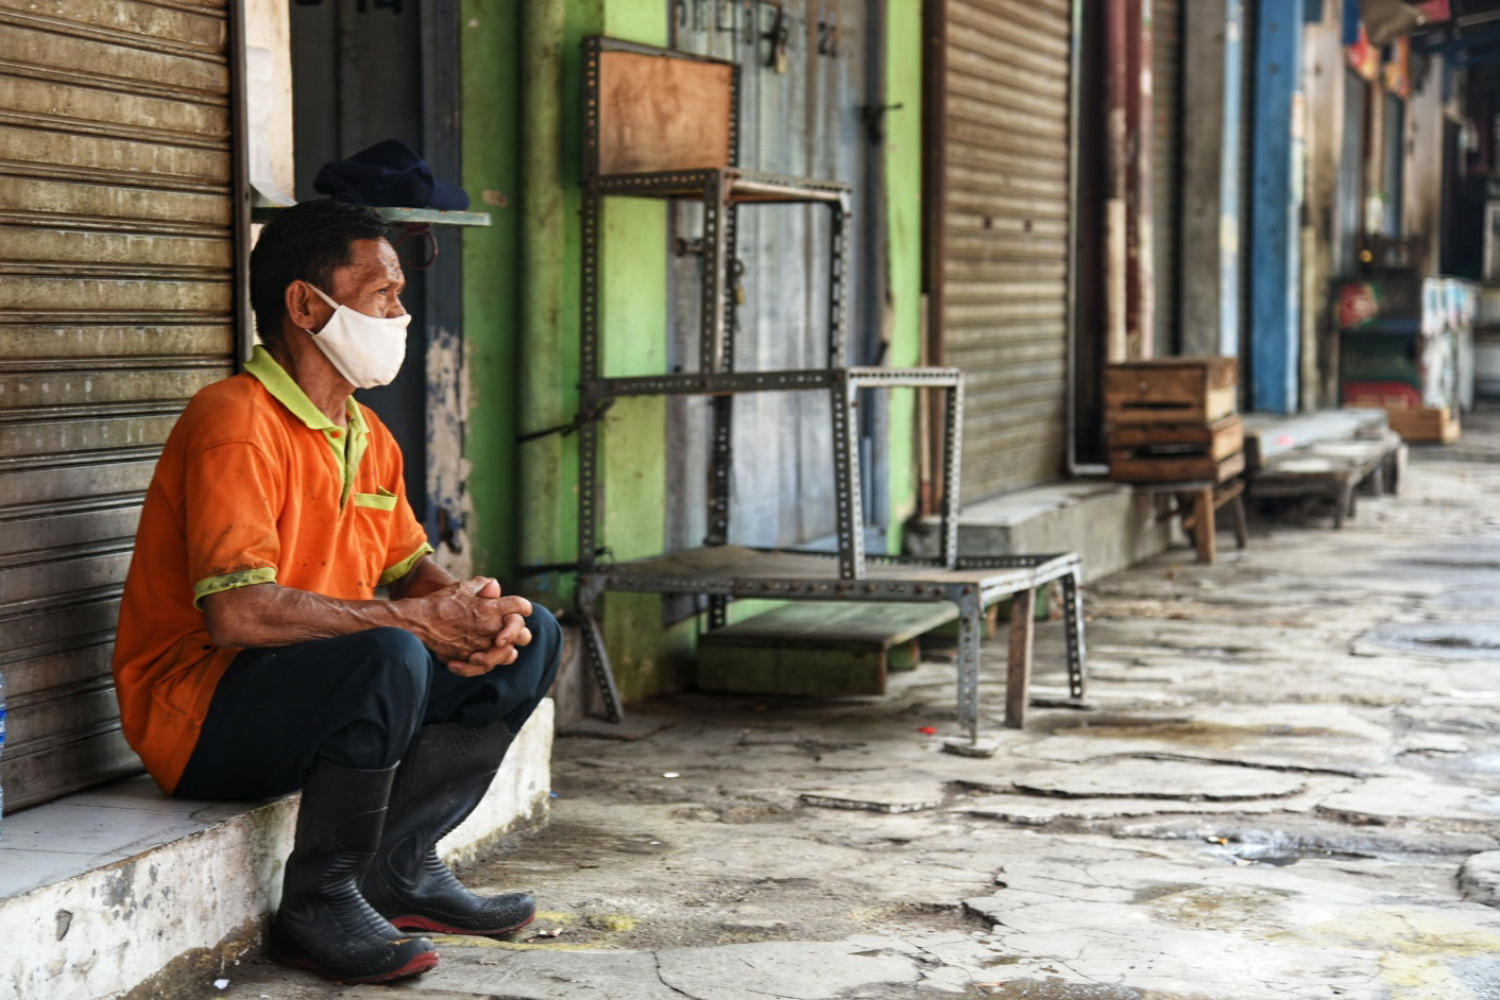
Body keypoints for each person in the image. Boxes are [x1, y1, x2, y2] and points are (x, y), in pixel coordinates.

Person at [112, 199, 561, 985]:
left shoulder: (364, 432)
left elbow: (408, 570)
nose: (401, 310)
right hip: (202, 719)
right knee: (389, 651)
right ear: (305, 304)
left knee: (532, 636)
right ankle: (318, 902)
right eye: (381, 293)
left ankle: (402, 866)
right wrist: (416, 624)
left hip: (326, 695)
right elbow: (237, 613)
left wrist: (468, 616)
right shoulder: (234, 421)